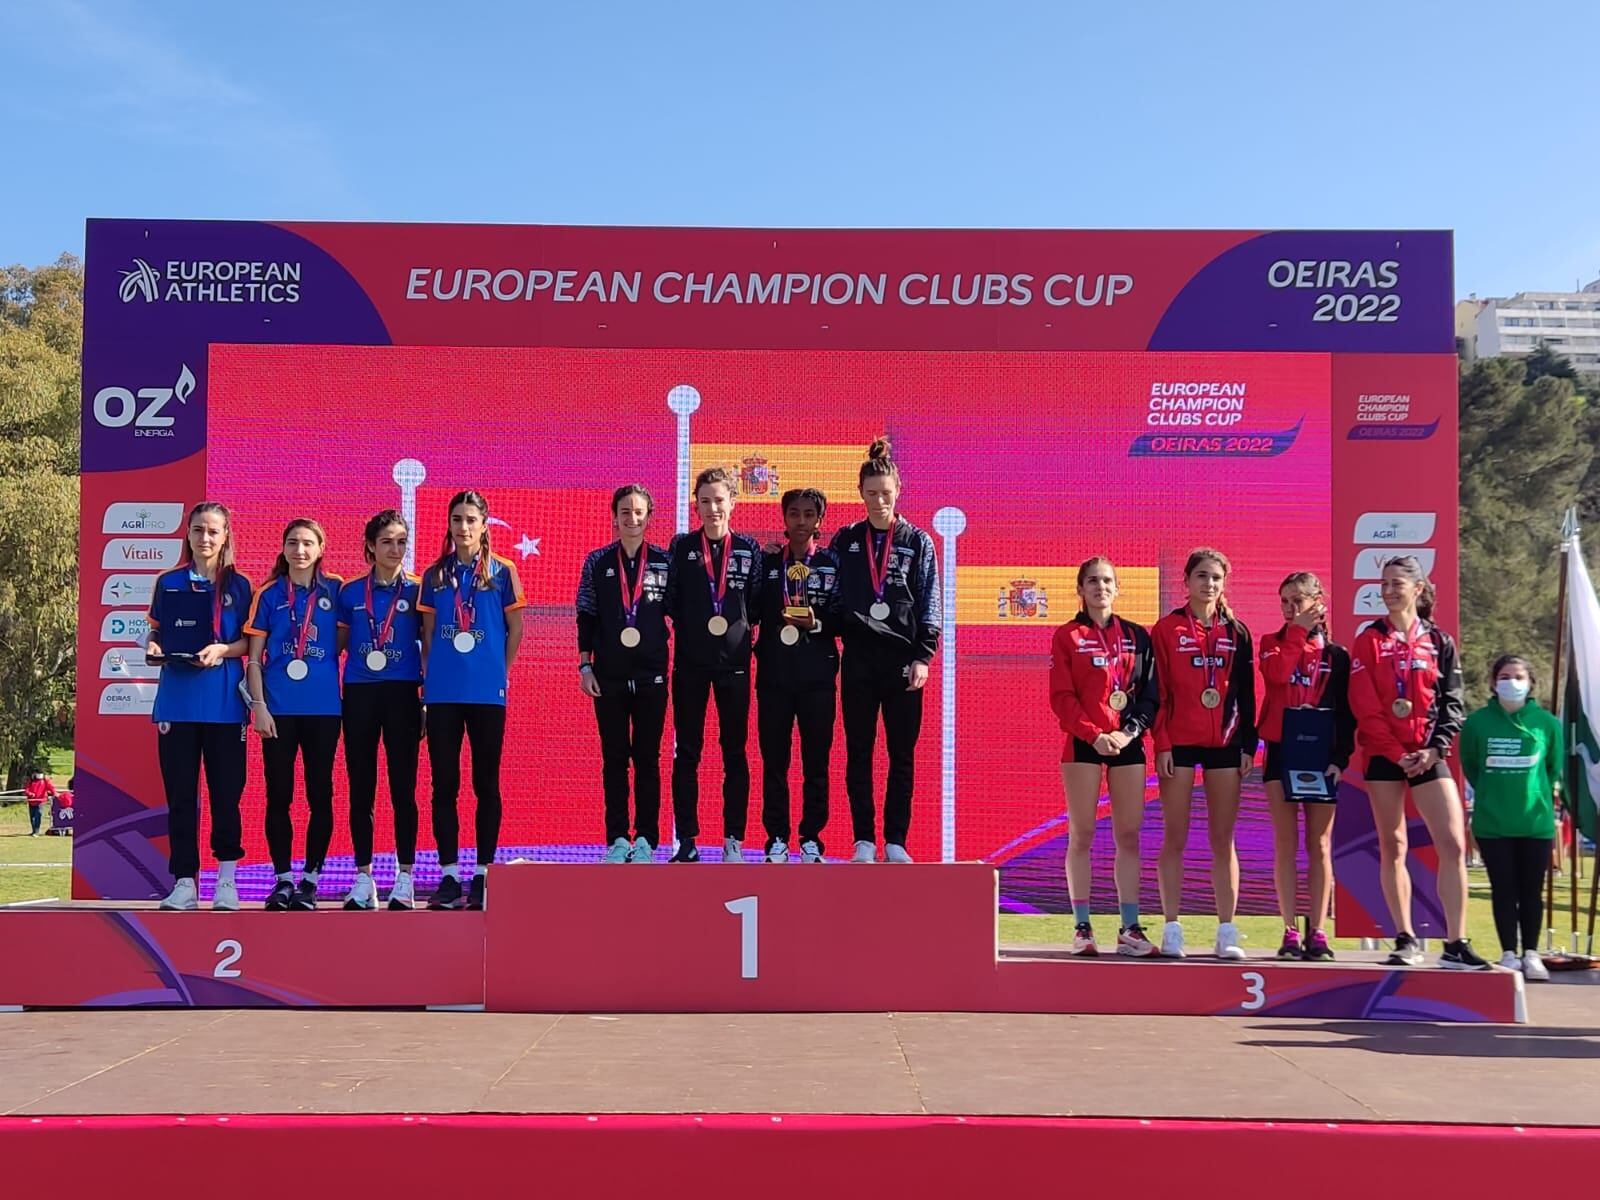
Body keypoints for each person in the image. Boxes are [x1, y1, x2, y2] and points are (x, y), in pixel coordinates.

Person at [1348, 555, 1489, 969]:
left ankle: (1456, 943)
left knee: (1453, 843)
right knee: (1393, 844)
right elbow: (1365, 706)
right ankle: (1405, 937)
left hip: (1428, 754)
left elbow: (1452, 703)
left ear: (1418, 589)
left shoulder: (1440, 641)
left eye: (1397, 583)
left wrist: (1434, 750)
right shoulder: (1369, 639)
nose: (1389, 591)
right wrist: (1397, 754)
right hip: (1384, 754)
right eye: (1384, 584)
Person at [831, 437, 940, 863]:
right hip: (858, 659)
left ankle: (896, 841)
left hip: (902, 663)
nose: (879, 501)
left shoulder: (918, 541)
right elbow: (829, 591)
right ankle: (863, 840)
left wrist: (923, 656)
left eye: (886, 493)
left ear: (899, 491)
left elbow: (930, 601)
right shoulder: (846, 540)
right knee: (859, 752)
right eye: (872, 493)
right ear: (860, 493)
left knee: (901, 755)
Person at [417, 489, 525, 908]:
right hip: (443, 694)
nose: (463, 527)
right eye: (457, 519)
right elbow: (428, 635)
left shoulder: (503, 571)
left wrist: (499, 672)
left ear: (484, 525)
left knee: (486, 783)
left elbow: (516, 629)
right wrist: (431, 680)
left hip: (486, 694)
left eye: (471, 520)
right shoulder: (434, 575)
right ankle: (448, 876)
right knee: (444, 783)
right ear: (449, 525)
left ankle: (483, 873)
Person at [144, 501, 253, 910]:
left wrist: (222, 650)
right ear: (187, 534)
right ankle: (184, 882)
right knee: (181, 798)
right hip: (177, 704)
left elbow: (249, 642)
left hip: (224, 705)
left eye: (212, 531)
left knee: (226, 795)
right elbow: (156, 634)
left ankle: (226, 880)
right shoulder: (168, 581)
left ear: (225, 536)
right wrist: (154, 648)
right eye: (197, 530)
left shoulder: (240, 585)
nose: (204, 538)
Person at [1048, 557, 1159, 955]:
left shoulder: (1137, 636)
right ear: (1080, 589)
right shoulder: (1068, 636)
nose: (1101, 587)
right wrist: (1094, 735)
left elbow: (1150, 696)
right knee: (1082, 834)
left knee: (1128, 836)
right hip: (1084, 744)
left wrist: (1127, 733)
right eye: (1092, 581)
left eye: (1108, 581)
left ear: (1118, 588)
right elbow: (1062, 697)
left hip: (1127, 743)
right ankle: (1082, 928)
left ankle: (1130, 928)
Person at [1151, 548, 1256, 959]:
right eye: (1201, 576)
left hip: (1226, 743)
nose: (1208, 583)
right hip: (1179, 742)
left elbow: (1246, 693)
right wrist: (1162, 743)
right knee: (1175, 835)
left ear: (1224, 583)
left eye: (1215, 577)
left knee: (1222, 838)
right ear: (1187, 581)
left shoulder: (1237, 631)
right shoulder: (1167, 629)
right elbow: (1158, 691)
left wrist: (1247, 744)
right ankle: (1172, 927)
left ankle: (1226, 930)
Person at [243, 519, 345, 911]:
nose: (299, 550)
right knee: (279, 796)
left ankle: (311, 881)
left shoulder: (336, 590)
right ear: (283, 548)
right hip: (278, 712)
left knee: (321, 794)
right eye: (292, 543)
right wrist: (259, 706)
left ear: (320, 548)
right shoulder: (268, 594)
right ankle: (283, 879)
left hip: (324, 711)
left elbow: (343, 641)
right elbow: (254, 659)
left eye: (307, 543)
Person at [664, 466, 763, 862]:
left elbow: (756, 603)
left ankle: (733, 841)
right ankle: (686, 842)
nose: (712, 509)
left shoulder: (749, 549)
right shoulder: (681, 547)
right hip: (690, 664)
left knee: (734, 753)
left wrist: (736, 630)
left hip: (735, 665)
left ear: (733, 502)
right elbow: (670, 599)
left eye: (719, 500)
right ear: (696, 506)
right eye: (704, 501)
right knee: (687, 753)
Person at [1257, 572, 1354, 961]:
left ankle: (1318, 931)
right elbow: (1277, 676)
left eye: (1299, 599)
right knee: (1286, 843)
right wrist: (1296, 631)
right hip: (1281, 751)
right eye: (1284, 601)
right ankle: (1289, 930)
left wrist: (1339, 759)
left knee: (1319, 844)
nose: (1290, 607)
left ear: (1319, 602)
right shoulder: (1271, 644)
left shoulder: (1337, 655)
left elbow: (1346, 714)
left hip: (1321, 756)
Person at [576, 484, 671, 864]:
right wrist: (585, 665)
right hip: (609, 677)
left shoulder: (664, 562)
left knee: (647, 758)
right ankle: (616, 838)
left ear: (649, 517)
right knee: (614, 758)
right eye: (625, 511)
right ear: (614, 517)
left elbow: (683, 610)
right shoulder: (597, 562)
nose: (632, 518)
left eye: (639, 511)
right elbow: (586, 615)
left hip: (652, 677)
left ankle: (646, 839)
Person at [336, 509, 424, 909]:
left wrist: (428, 698)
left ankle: (405, 878)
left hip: (404, 693)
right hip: (359, 693)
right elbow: (335, 645)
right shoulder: (350, 593)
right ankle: (364, 878)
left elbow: (431, 645)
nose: (395, 549)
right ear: (370, 546)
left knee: (404, 788)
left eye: (402, 541)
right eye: (387, 541)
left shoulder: (419, 591)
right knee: (361, 788)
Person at [1459, 654, 1562, 981]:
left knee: (1531, 891)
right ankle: (1508, 953)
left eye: (1519, 677)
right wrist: (1494, 793)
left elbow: (1553, 768)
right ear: (1493, 682)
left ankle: (1531, 953)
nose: (1512, 683)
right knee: (1503, 889)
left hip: (1535, 823)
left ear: (1530, 683)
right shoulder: (1477, 723)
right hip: (1493, 824)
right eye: (1504, 676)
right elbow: (1471, 766)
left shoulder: (1547, 723)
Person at [756, 488, 841, 863]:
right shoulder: (768, 564)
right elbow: (751, 609)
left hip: (817, 676)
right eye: (794, 514)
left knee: (815, 761)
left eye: (809, 514)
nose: (801, 521)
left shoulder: (832, 565)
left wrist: (816, 622)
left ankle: (811, 838)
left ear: (819, 520)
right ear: (784, 518)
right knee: (774, 761)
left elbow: (844, 616)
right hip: (774, 676)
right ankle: (776, 837)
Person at [23, 771, 57, 837]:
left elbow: (51, 787)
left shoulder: (45, 780)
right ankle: (33, 831)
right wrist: (30, 794)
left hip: (40, 801)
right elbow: (26, 789)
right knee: (32, 817)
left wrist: (55, 794)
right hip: (31, 801)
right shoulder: (31, 781)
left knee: (38, 816)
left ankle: (37, 831)